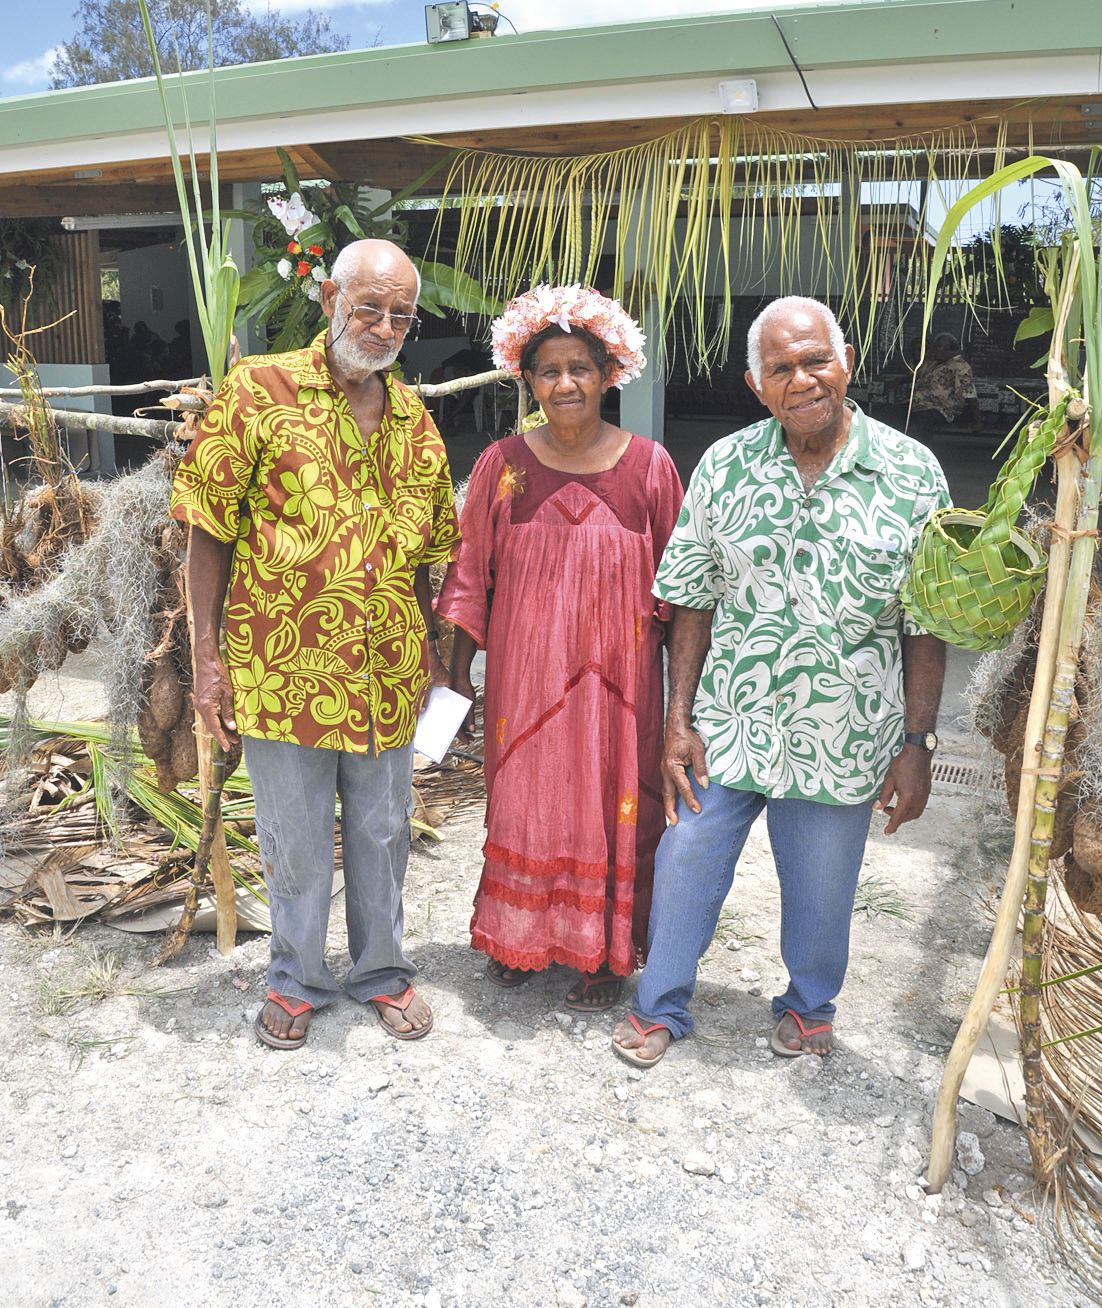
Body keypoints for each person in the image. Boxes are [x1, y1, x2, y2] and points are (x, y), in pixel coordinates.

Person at [611, 295, 949, 1067]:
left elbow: (924, 624)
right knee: (688, 855)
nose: (802, 380)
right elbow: (691, 597)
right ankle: (660, 1004)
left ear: (848, 361)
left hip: (845, 728)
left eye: (815, 360)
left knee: (824, 888)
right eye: (781, 369)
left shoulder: (911, 473)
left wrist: (918, 741)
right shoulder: (727, 465)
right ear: (756, 384)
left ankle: (808, 1006)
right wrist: (678, 720)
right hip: (729, 720)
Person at [170, 239, 459, 1049]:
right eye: (369, 307)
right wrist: (207, 661)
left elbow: (430, 553)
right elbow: (207, 532)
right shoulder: (257, 390)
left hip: (389, 671)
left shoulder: (416, 422)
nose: (385, 326)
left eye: (402, 314)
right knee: (295, 835)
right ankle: (296, 977)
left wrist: (432, 648)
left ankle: (381, 970)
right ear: (330, 295)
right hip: (281, 666)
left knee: (382, 829)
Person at [437, 285, 684, 1011]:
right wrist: (458, 683)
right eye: (549, 370)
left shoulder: (650, 468)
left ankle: (602, 954)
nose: (565, 383)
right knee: (526, 802)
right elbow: (469, 574)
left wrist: (682, 705)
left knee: (615, 807)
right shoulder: (502, 466)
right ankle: (520, 937)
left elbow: (685, 589)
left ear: (611, 375)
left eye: (581, 367)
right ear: (527, 379)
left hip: (621, 693)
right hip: (526, 686)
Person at [908, 332, 980, 435]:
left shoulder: (960, 366)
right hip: (917, 406)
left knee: (917, 426)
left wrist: (977, 420)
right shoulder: (936, 364)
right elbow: (918, 375)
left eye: (938, 347)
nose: (934, 350)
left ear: (950, 350)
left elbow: (968, 393)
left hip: (938, 409)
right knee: (890, 414)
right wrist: (900, 381)